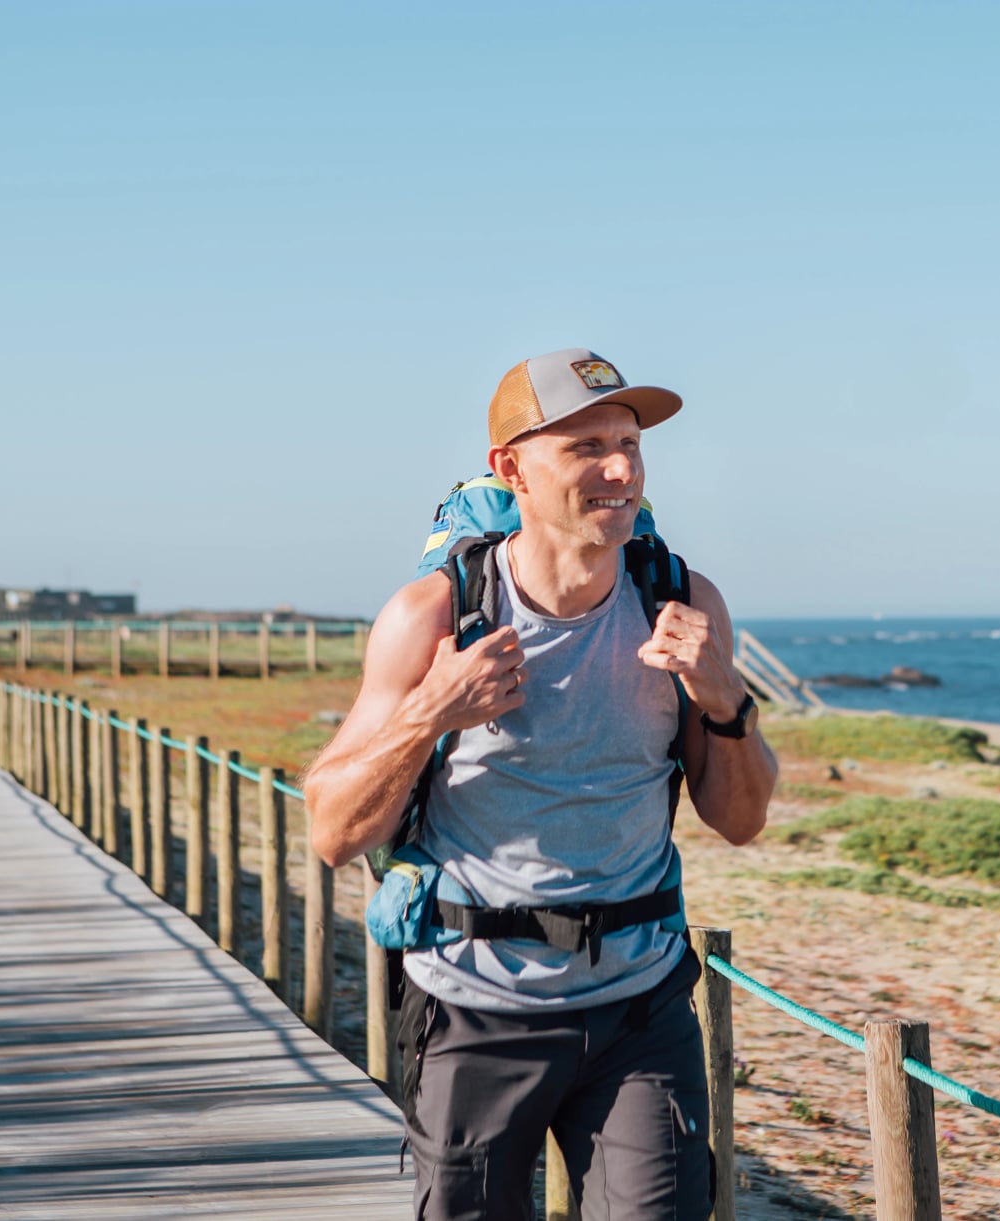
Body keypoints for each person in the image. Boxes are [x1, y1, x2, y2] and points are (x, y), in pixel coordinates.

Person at [307, 347, 777, 1220]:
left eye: (630, 443)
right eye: (586, 445)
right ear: (511, 468)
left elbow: (740, 820)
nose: (620, 469)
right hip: (475, 1007)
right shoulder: (437, 615)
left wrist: (727, 700)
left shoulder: (679, 599)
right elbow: (333, 830)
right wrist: (428, 714)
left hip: (639, 1007)